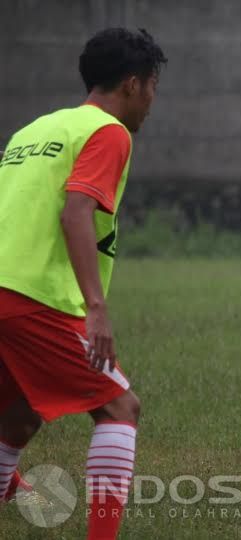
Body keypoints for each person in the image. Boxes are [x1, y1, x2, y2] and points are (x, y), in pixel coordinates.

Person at [0, 28, 166, 539]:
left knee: (20, 414)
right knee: (119, 407)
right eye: (154, 87)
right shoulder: (108, 131)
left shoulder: (34, 130)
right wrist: (96, 307)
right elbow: (78, 212)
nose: (152, 102)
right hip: (35, 296)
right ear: (133, 84)